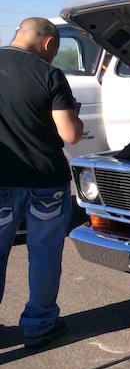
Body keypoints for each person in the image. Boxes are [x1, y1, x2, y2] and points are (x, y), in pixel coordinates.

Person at [0, 17, 84, 349]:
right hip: (45, 182)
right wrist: (73, 115)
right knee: (44, 254)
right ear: (48, 44)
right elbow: (70, 135)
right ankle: (39, 325)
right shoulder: (49, 75)